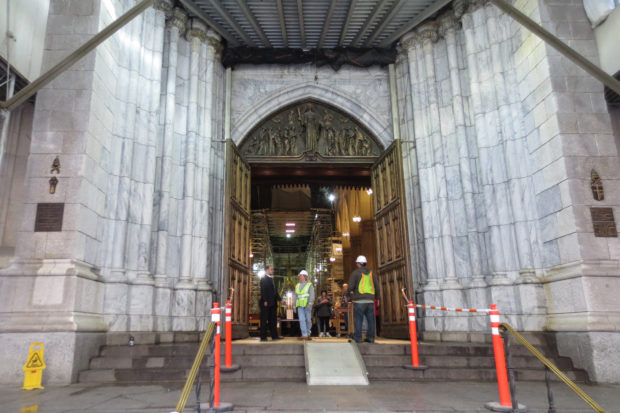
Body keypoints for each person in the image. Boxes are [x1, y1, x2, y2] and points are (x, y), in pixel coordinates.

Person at [347, 255, 380, 343]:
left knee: (358, 319)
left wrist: (348, 295)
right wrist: (377, 298)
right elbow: (377, 287)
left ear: (358, 263)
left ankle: (358, 338)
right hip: (370, 301)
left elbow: (350, 287)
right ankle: (371, 338)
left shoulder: (355, 273)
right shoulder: (372, 274)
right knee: (371, 320)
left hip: (359, 301)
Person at [259, 265, 283, 342]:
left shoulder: (272, 279)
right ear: (267, 270)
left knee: (273, 320)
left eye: (273, 269)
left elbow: (275, 291)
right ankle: (263, 337)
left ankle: (274, 336)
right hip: (266, 303)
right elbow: (263, 290)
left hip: (273, 303)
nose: (273, 271)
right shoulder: (263, 279)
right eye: (271, 269)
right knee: (264, 320)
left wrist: (279, 299)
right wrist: (265, 300)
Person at [294, 269, 314, 340]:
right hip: (300, 306)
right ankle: (304, 334)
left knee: (308, 320)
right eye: (300, 276)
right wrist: (294, 305)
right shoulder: (297, 285)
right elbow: (296, 296)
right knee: (302, 320)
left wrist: (310, 303)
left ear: (305, 276)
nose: (300, 277)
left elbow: (312, 295)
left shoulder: (309, 285)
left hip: (307, 305)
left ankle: (308, 333)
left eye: (301, 275)